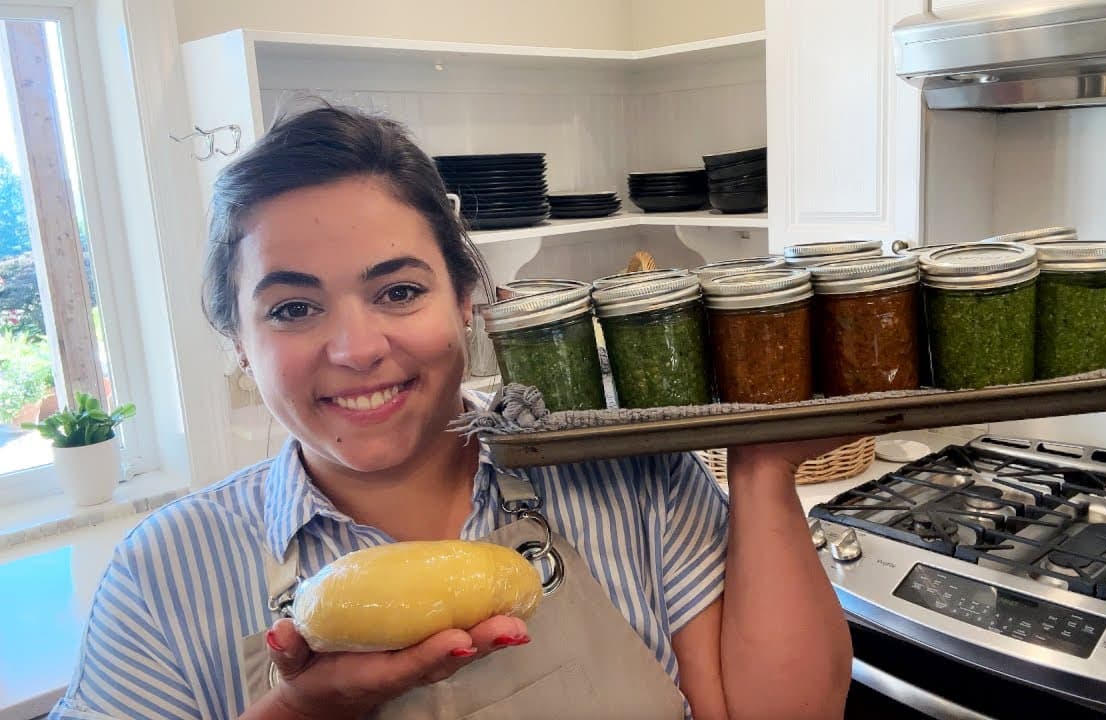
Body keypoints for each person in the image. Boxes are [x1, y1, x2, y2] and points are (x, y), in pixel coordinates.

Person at [49, 104, 851, 720]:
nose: (357, 348)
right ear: (237, 341)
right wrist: (300, 711)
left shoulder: (626, 473)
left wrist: (762, 467)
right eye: (294, 308)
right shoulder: (165, 576)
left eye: (398, 291)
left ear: (467, 298)